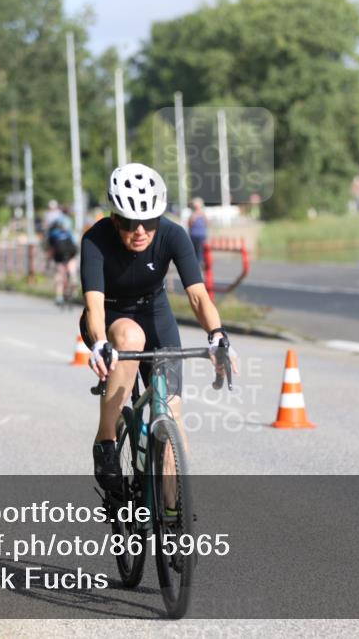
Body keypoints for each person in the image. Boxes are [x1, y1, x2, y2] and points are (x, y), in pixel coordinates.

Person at [80, 163, 235, 493]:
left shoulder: (173, 234)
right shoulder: (95, 239)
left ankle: (173, 511)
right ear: (114, 218)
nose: (140, 231)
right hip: (110, 316)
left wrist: (217, 335)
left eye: (149, 221)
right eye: (129, 222)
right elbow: (93, 304)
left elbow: (198, 296)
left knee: (172, 412)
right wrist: (99, 343)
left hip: (155, 311)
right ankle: (106, 442)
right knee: (131, 337)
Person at [47, 206, 77, 306]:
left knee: (59, 275)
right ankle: (73, 290)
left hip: (58, 256)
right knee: (72, 273)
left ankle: (59, 297)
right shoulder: (70, 230)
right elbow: (74, 244)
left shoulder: (54, 233)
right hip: (70, 254)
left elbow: (51, 248)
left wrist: (49, 260)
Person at [187, 197, 208, 267]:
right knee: (194, 249)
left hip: (201, 235)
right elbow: (190, 224)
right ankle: (196, 262)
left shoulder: (203, 214)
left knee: (200, 250)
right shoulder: (193, 215)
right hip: (194, 235)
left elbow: (206, 223)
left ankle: (199, 263)